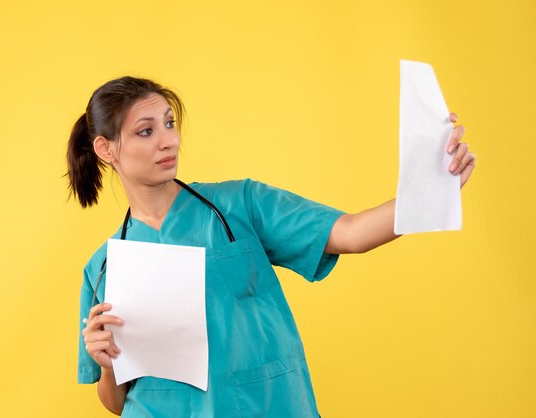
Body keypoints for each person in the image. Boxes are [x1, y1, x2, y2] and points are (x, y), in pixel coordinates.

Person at [68, 76, 475, 417]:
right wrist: (106, 365)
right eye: (146, 131)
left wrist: (428, 192)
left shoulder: (240, 205)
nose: (167, 140)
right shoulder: (105, 266)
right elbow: (115, 402)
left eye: (170, 123)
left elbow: (350, 233)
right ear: (106, 149)